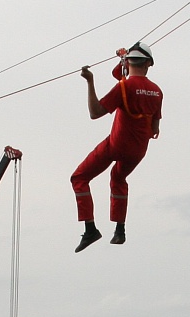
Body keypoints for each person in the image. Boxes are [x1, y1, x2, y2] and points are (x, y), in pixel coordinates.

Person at [70, 42, 163, 252]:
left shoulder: (124, 87)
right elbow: (155, 128)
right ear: (148, 64)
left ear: (129, 62)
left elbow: (95, 112)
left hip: (116, 144)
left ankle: (90, 228)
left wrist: (90, 81)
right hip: (138, 150)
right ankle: (120, 230)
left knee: (79, 178)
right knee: (118, 178)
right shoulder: (157, 92)